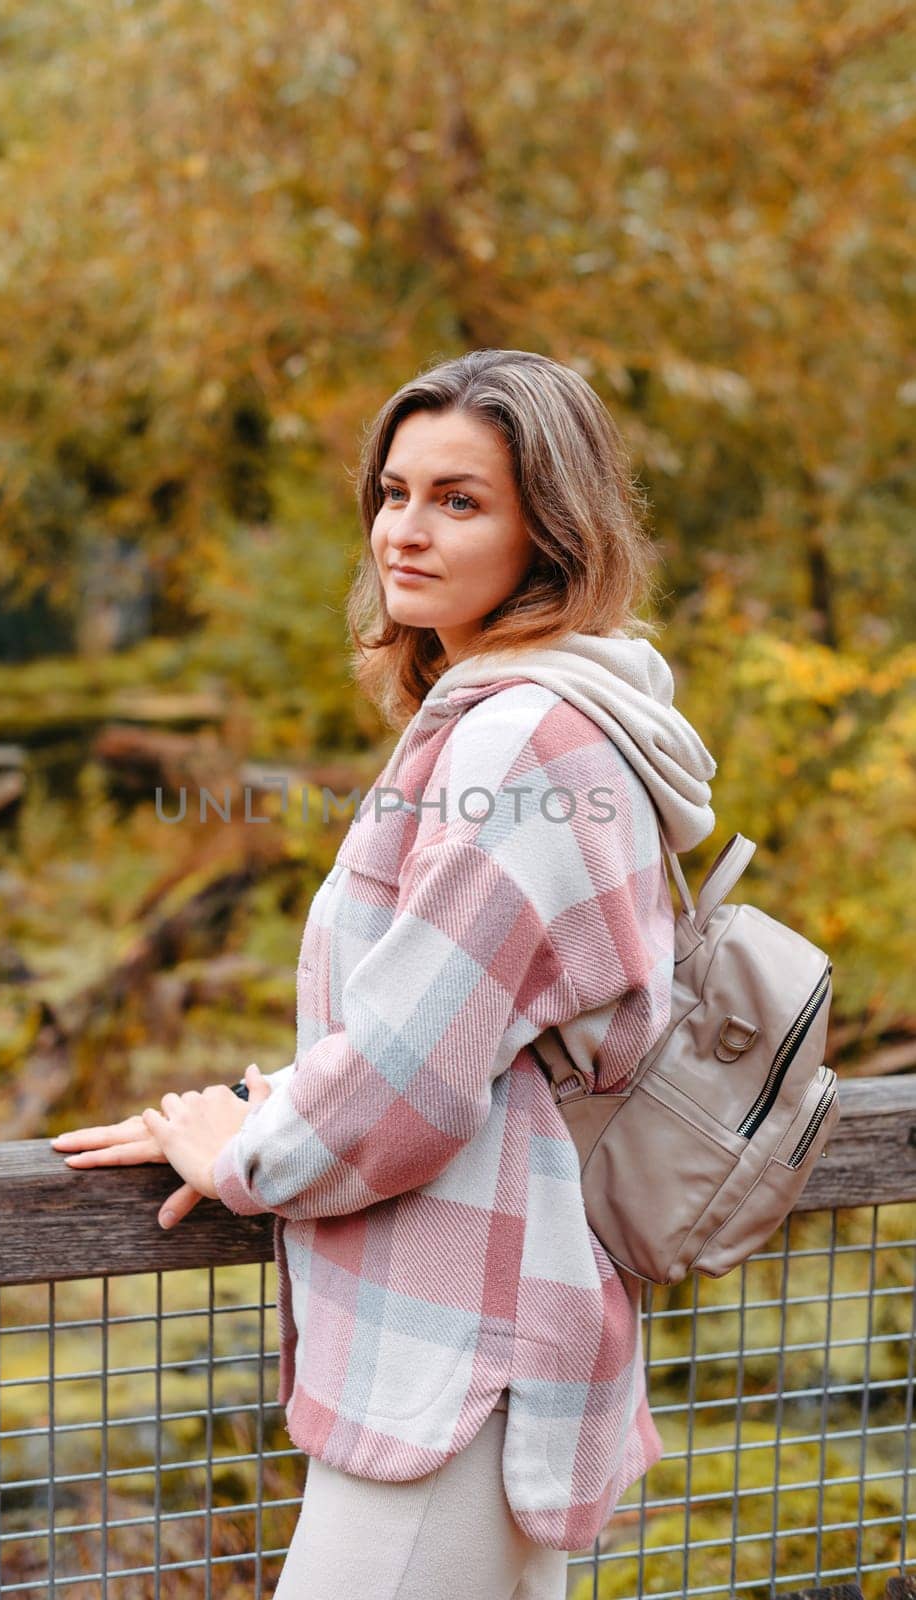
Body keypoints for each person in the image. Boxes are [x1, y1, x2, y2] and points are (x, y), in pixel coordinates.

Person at [51, 349, 717, 1599]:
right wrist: (266, 1106)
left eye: (459, 500)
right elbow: (459, 1026)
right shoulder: (535, 716)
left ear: (551, 532)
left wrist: (239, 1151)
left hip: (460, 1350)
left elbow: (410, 1081)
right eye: (394, 491)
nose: (403, 532)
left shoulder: (523, 738)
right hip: (495, 1324)